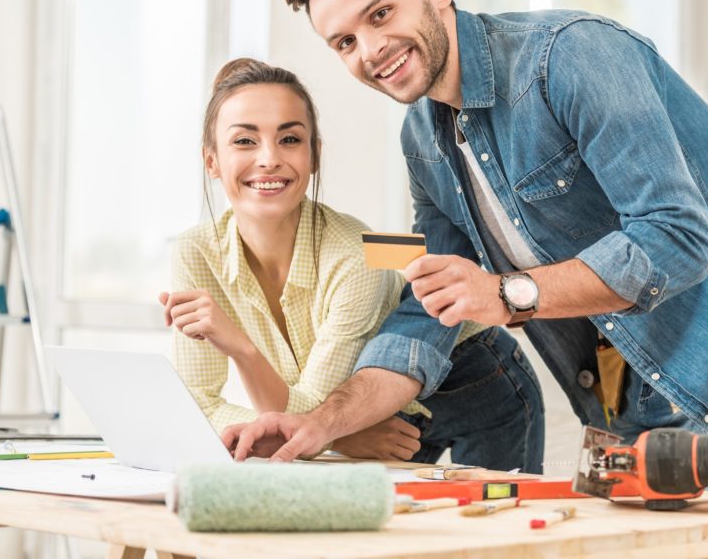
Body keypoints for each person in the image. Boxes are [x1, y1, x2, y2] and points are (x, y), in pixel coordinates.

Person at [222, 0, 708, 496]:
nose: (371, 50)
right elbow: (430, 312)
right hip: (614, 362)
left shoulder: (570, 57)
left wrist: (506, 293)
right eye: (345, 42)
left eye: (380, 14)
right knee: (630, 544)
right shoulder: (423, 139)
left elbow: (676, 239)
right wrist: (322, 424)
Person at [160, 57, 544, 471]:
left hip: (476, 385)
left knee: (485, 525)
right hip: (353, 412)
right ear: (212, 160)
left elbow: (304, 421)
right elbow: (198, 405)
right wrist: (345, 434)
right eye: (244, 141)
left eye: (289, 139)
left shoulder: (356, 253)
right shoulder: (194, 252)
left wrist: (241, 348)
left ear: (315, 155)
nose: (269, 158)